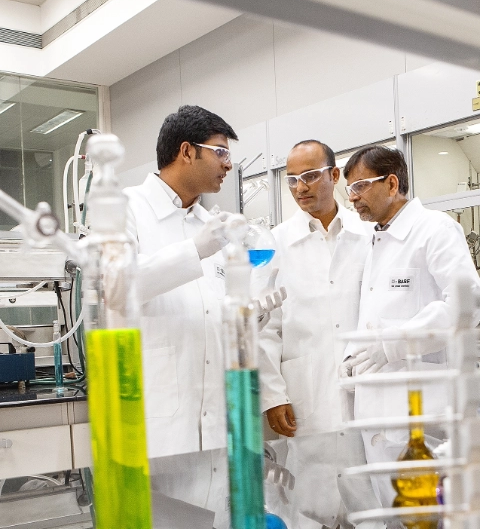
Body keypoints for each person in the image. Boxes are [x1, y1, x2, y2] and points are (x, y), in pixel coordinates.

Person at [343, 145, 480, 503]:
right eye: (350, 190)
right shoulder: (377, 238)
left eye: (360, 187)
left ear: (391, 183)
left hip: (423, 417)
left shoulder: (434, 229)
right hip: (379, 415)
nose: (352, 199)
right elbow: (375, 314)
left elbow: (467, 305)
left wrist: (396, 342)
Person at [124, 105, 239, 458]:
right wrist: (193, 251)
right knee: (169, 513)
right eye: (220, 152)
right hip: (160, 425)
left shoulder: (209, 223)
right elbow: (116, 285)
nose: (228, 164)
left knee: (219, 511)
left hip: (218, 424)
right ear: (186, 151)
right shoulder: (125, 207)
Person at [253, 139, 372, 438]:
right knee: (308, 479)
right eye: (292, 180)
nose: (300, 188)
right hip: (305, 395)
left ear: (333, 175)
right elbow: (265, 328)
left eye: (309, 176)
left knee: (371, 478)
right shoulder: (273, 244)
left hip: (367, 390)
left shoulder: (368, 235)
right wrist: (273, 395)